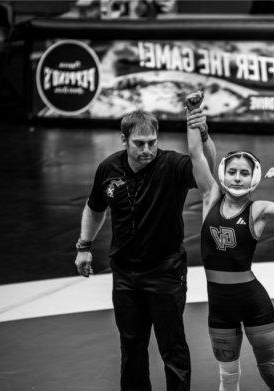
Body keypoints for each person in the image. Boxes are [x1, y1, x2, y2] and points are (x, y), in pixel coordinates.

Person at [74, 110, 216, 391]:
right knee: (131, 346)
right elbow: (94, 208)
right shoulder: (108, 168)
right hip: (125, 274)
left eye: (152, 142)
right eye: (139, 143)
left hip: (165, 271)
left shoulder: (173, 165)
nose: (147, 149)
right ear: (124, 140)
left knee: (172, 347)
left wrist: (204, 135)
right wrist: (84, 246)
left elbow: (207, 170)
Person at [186, 108, 274, 391]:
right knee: (227, 377)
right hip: (219, 308)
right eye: (232, 172)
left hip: (254, 304)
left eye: (244, 173)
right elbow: (198, 155)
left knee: (270, 370)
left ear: (253, 178)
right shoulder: (210, 199)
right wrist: (194, 121)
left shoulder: (258, 210)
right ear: (223, 175)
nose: (237, 178)